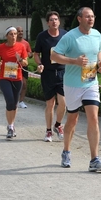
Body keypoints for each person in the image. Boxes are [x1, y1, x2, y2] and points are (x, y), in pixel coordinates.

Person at [51, 7, 101, 172]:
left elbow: (98, 52)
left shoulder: (97, 34)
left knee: (94, 118)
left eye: (92, 16)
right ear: (79, 19)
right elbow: (54, 56)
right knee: (73, 120)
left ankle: (94, 159)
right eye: (87, 17)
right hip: (73, 85)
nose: (90, 19)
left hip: (91, 83)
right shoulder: (70, 37)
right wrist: (74, 61)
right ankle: (66, 151)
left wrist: (100, 64)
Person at [34, 11, 68, 142]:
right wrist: (40, 64)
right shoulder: (42, 37)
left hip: (62, 72)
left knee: (63, 103)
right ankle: (48, 131)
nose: (54, 22)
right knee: (50, 104)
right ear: (47, 23)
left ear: (59, 21)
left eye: (56, 19)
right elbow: (36, 54)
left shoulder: (65, 35)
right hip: (47, 73)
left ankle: (58, 125)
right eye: (51, 20)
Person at [0, 27, 28, 140]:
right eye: (11, 34)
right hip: (4, 78)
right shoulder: (1, 47)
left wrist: (20, 59)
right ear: (6, 36)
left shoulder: (21, 47)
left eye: (15, 34)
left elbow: (26, 63)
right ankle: (10, 126)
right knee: (9, 101)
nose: (14, 36)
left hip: (17, 78)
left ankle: (12, 125)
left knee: (15, 104)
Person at [16, 26, 33, 109]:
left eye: (22, 31)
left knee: (24, 84)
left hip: (24, 66)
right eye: (19, 31)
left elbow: (30, 53)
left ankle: (21, 101)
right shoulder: (13, 42)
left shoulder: (26, 43)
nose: (21, 33)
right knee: (14, 85)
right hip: (14, 67)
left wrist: (29, 54)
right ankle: (14, 100)